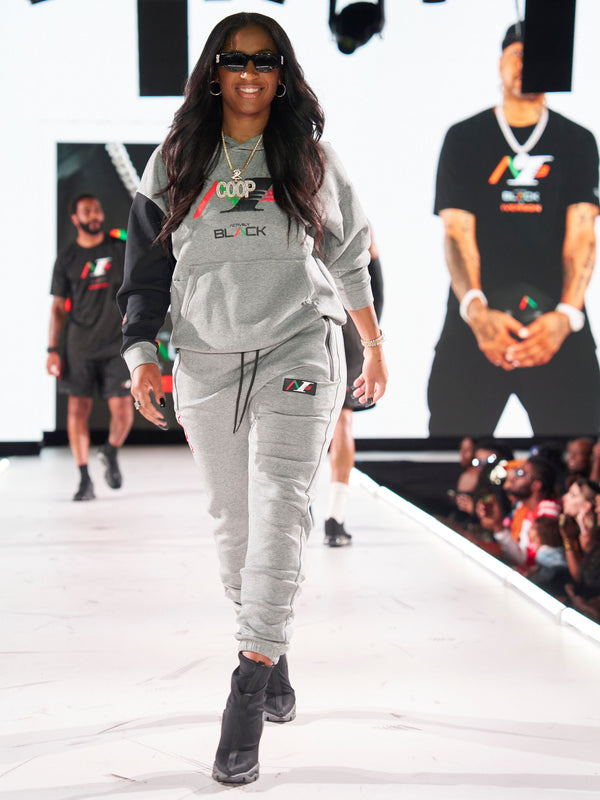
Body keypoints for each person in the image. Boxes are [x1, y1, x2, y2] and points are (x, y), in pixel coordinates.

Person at [116, 13, 388, 785]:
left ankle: (245, 692)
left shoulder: (309, 158)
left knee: (280, 505)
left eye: (265, 61)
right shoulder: (176, 159)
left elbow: (350, 256)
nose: (249, 73)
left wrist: (374, 345)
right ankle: (272, 650)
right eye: (235, 60)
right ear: (214, 71)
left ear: (282, 73)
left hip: (299, 343)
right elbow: (146, 270)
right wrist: (142, 356)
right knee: (235, 527)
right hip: (205, 359)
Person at [428, 20, 600, 437]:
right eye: (518, 54)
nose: (526, 64)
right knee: (450, 450)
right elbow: (457, 233)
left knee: (581, 453)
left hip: (556, 319)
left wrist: (565, 317)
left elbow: (583, 235)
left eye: (537, 57)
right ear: (500, 62)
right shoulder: (465, 137)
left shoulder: (577, 140)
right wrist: (477, 311)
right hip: (477, 316)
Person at [47, 194, 133, 501]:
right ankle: (84, 479)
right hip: (79, 346)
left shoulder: (119, 248)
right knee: (77, 410)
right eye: (87, 211)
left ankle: (110, 450)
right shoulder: (67, 257)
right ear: (75, 218)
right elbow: (58, 308)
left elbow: (138, 285)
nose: (94, 215)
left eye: (97, 209)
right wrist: (51, 350)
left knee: (123, 411)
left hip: (116, 344)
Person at [324, 233, 383, 546]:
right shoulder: (352, 218)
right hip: (349, 324)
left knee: (301, 417)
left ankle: (304, 506)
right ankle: (334, 519)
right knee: (342, 420)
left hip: (310, 324)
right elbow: (373, 269)